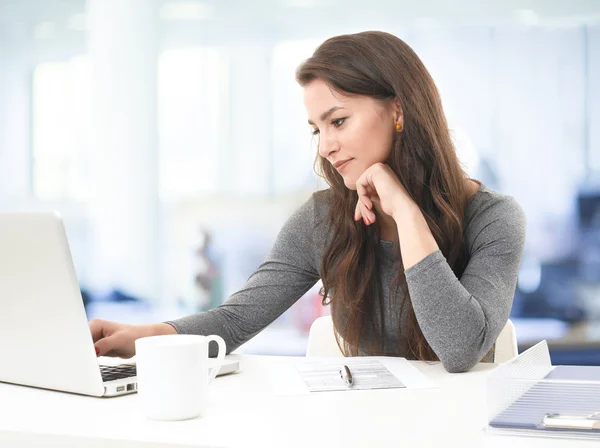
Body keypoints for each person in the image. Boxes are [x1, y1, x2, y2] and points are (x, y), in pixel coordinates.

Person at [89, 31, 526, 373]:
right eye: (317, 129)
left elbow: (459, 349)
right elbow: (236, 321)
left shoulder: (494, 218)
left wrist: (407, 214)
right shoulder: (323, 218)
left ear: (398, 111)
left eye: (338, 121)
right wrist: (144, 337)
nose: (325, 147)